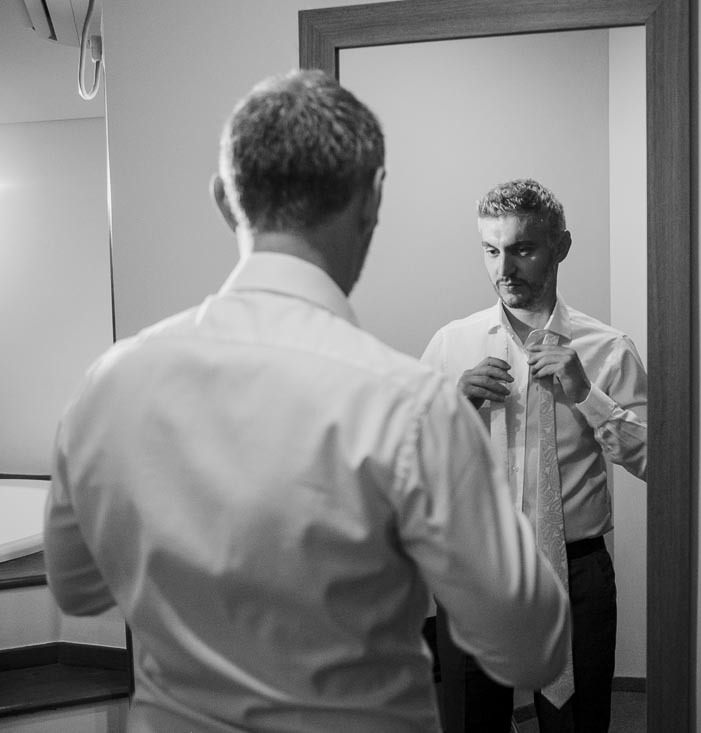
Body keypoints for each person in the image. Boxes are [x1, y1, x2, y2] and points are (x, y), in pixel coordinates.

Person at [42, 70, 569, 733]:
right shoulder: (412, 409)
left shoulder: (110, 383)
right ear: (372, 199)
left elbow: (77, 588)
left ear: (224, 200)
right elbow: (531, 649)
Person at [421, 179, 647, 733]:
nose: (505, 268)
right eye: (491, 250)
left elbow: (657, 461)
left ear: (560, 246)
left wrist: (586, 396)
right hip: (474, 566)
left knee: (576, 724)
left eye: (523, 249)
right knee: (473, 722)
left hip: (576, 569)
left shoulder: (608, 349)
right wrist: (453, 406)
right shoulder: (451, 345)